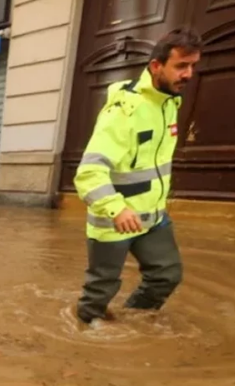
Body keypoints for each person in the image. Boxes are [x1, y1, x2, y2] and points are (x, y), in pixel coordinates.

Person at [74, 29, 202, 324]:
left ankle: (134, 323)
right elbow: (88, 173)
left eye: (193, 65)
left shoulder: (170, 102)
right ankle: (81, 343)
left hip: (153, 217)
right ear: (157, 66)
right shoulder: (124, 112)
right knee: (99, 293)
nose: (189, 74)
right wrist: (117, 209)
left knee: (166, 275)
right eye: (181, 66)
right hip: (114, 221)